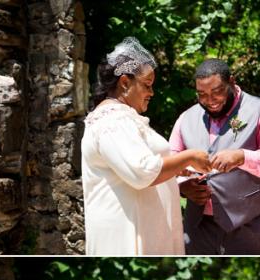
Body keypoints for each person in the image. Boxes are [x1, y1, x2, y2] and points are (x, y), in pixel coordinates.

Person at [82, 37, 213, 255]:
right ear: (124, 83)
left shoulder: (123, 118)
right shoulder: (112, 121)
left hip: (145, 229)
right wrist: (189, 157)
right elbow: (141, 172)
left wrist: (177, 172)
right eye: (147, 85)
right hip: (128, 233)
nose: (152, 93)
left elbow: (138, 165)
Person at [172, 59, 260, 255]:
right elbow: (170, 164)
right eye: (202, 94)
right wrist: (182, 186)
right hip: (198, 230)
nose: (210, 100)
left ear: (232, 81)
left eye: (217, 91)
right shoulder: (185, 119)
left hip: (255, 230)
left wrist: (243, 157)